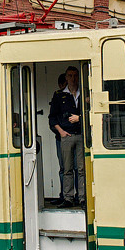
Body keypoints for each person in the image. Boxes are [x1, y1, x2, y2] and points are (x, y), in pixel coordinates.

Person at [49, 65, 85, 207]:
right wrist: (61, 132)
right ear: (66, 77)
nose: (73, 78)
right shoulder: (59, 95)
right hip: (66, 136)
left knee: (81, 169)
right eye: (70, 75)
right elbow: (52, 118)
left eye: (75, 75)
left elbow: (92, 113)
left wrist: (80, 118)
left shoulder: (84, 92)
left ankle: (82, 198)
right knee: (67, 169)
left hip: (81, 135)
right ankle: (68, 198)